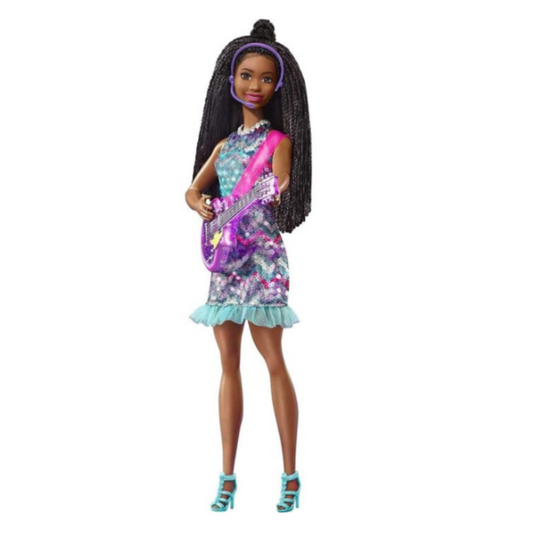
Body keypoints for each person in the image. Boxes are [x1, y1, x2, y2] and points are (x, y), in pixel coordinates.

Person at [185, 19, 312, 512]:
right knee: (228, 364)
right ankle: (227, 474)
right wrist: (200, 202)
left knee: (273, 360)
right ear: (231, 80)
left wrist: (270, 190)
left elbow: (279, 182)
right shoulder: (223, 145)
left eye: (265, 78)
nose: (255, 85)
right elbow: (193, 188)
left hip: (260, 257)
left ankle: (290, 474)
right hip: (225, 258)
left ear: (277, 86)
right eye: (246, 75)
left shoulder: (277, 141)